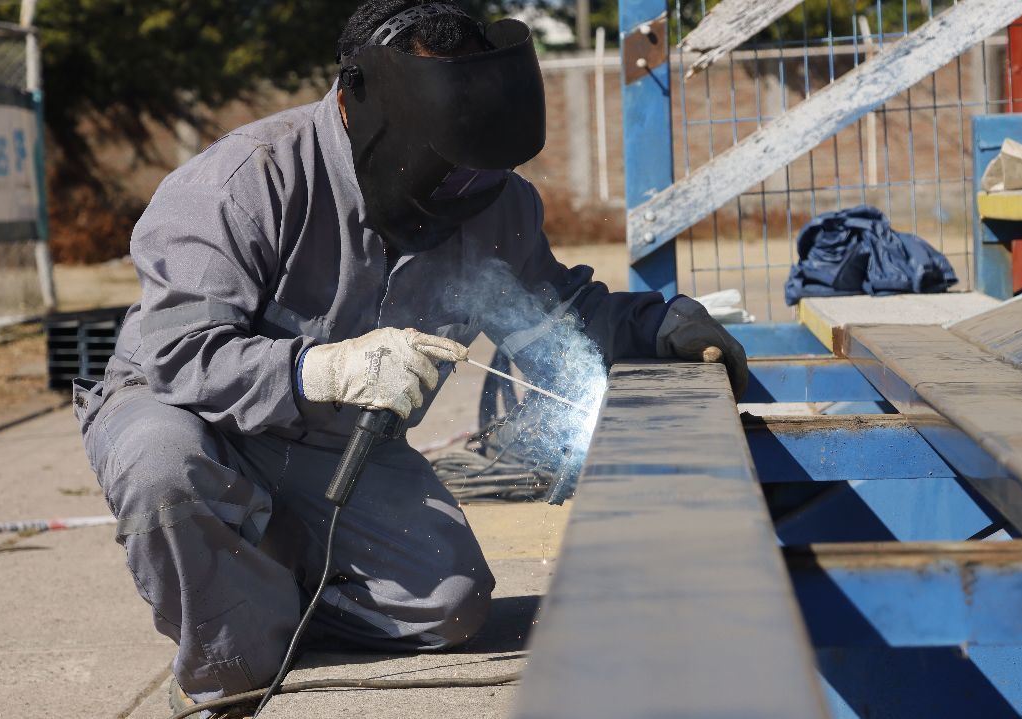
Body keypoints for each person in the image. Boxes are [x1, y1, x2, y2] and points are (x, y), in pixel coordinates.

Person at [73, 1, 748, 715]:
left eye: (480, 171)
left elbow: (556, 320)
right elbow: (182, 353)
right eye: (449, 167)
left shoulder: (490, 200)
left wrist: (656, 325)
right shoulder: (244, 181)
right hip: (193, 414)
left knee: (449, 604)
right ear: (359, 99)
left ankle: (266, 560)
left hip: (331, 442)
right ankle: (227, 652)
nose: (467, 192)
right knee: (164, 475)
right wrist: (326, 369)